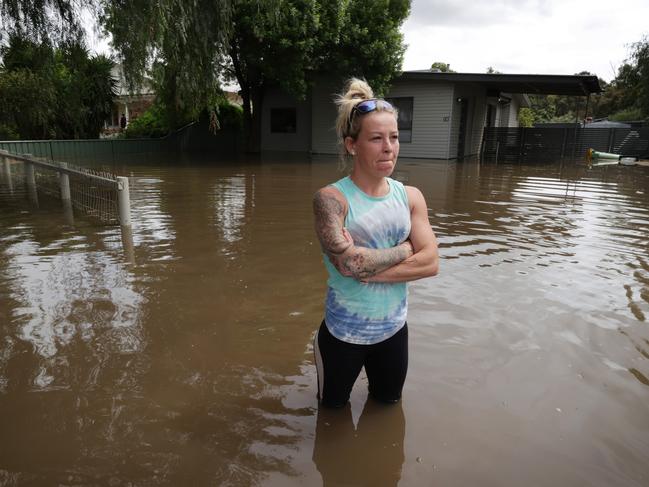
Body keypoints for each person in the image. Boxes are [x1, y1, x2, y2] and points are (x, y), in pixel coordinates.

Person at [312, 78, 439, 408]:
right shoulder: (331, 200)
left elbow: (432, 263)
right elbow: (351, 264)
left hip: (394, 333)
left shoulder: (411, 197)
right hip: (342, 336)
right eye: (376, 138)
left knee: (388, 408)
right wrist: (407, 249)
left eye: (394, 137)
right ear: (352, 145)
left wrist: (370, 268)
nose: (389, 147)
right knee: (331, 416)